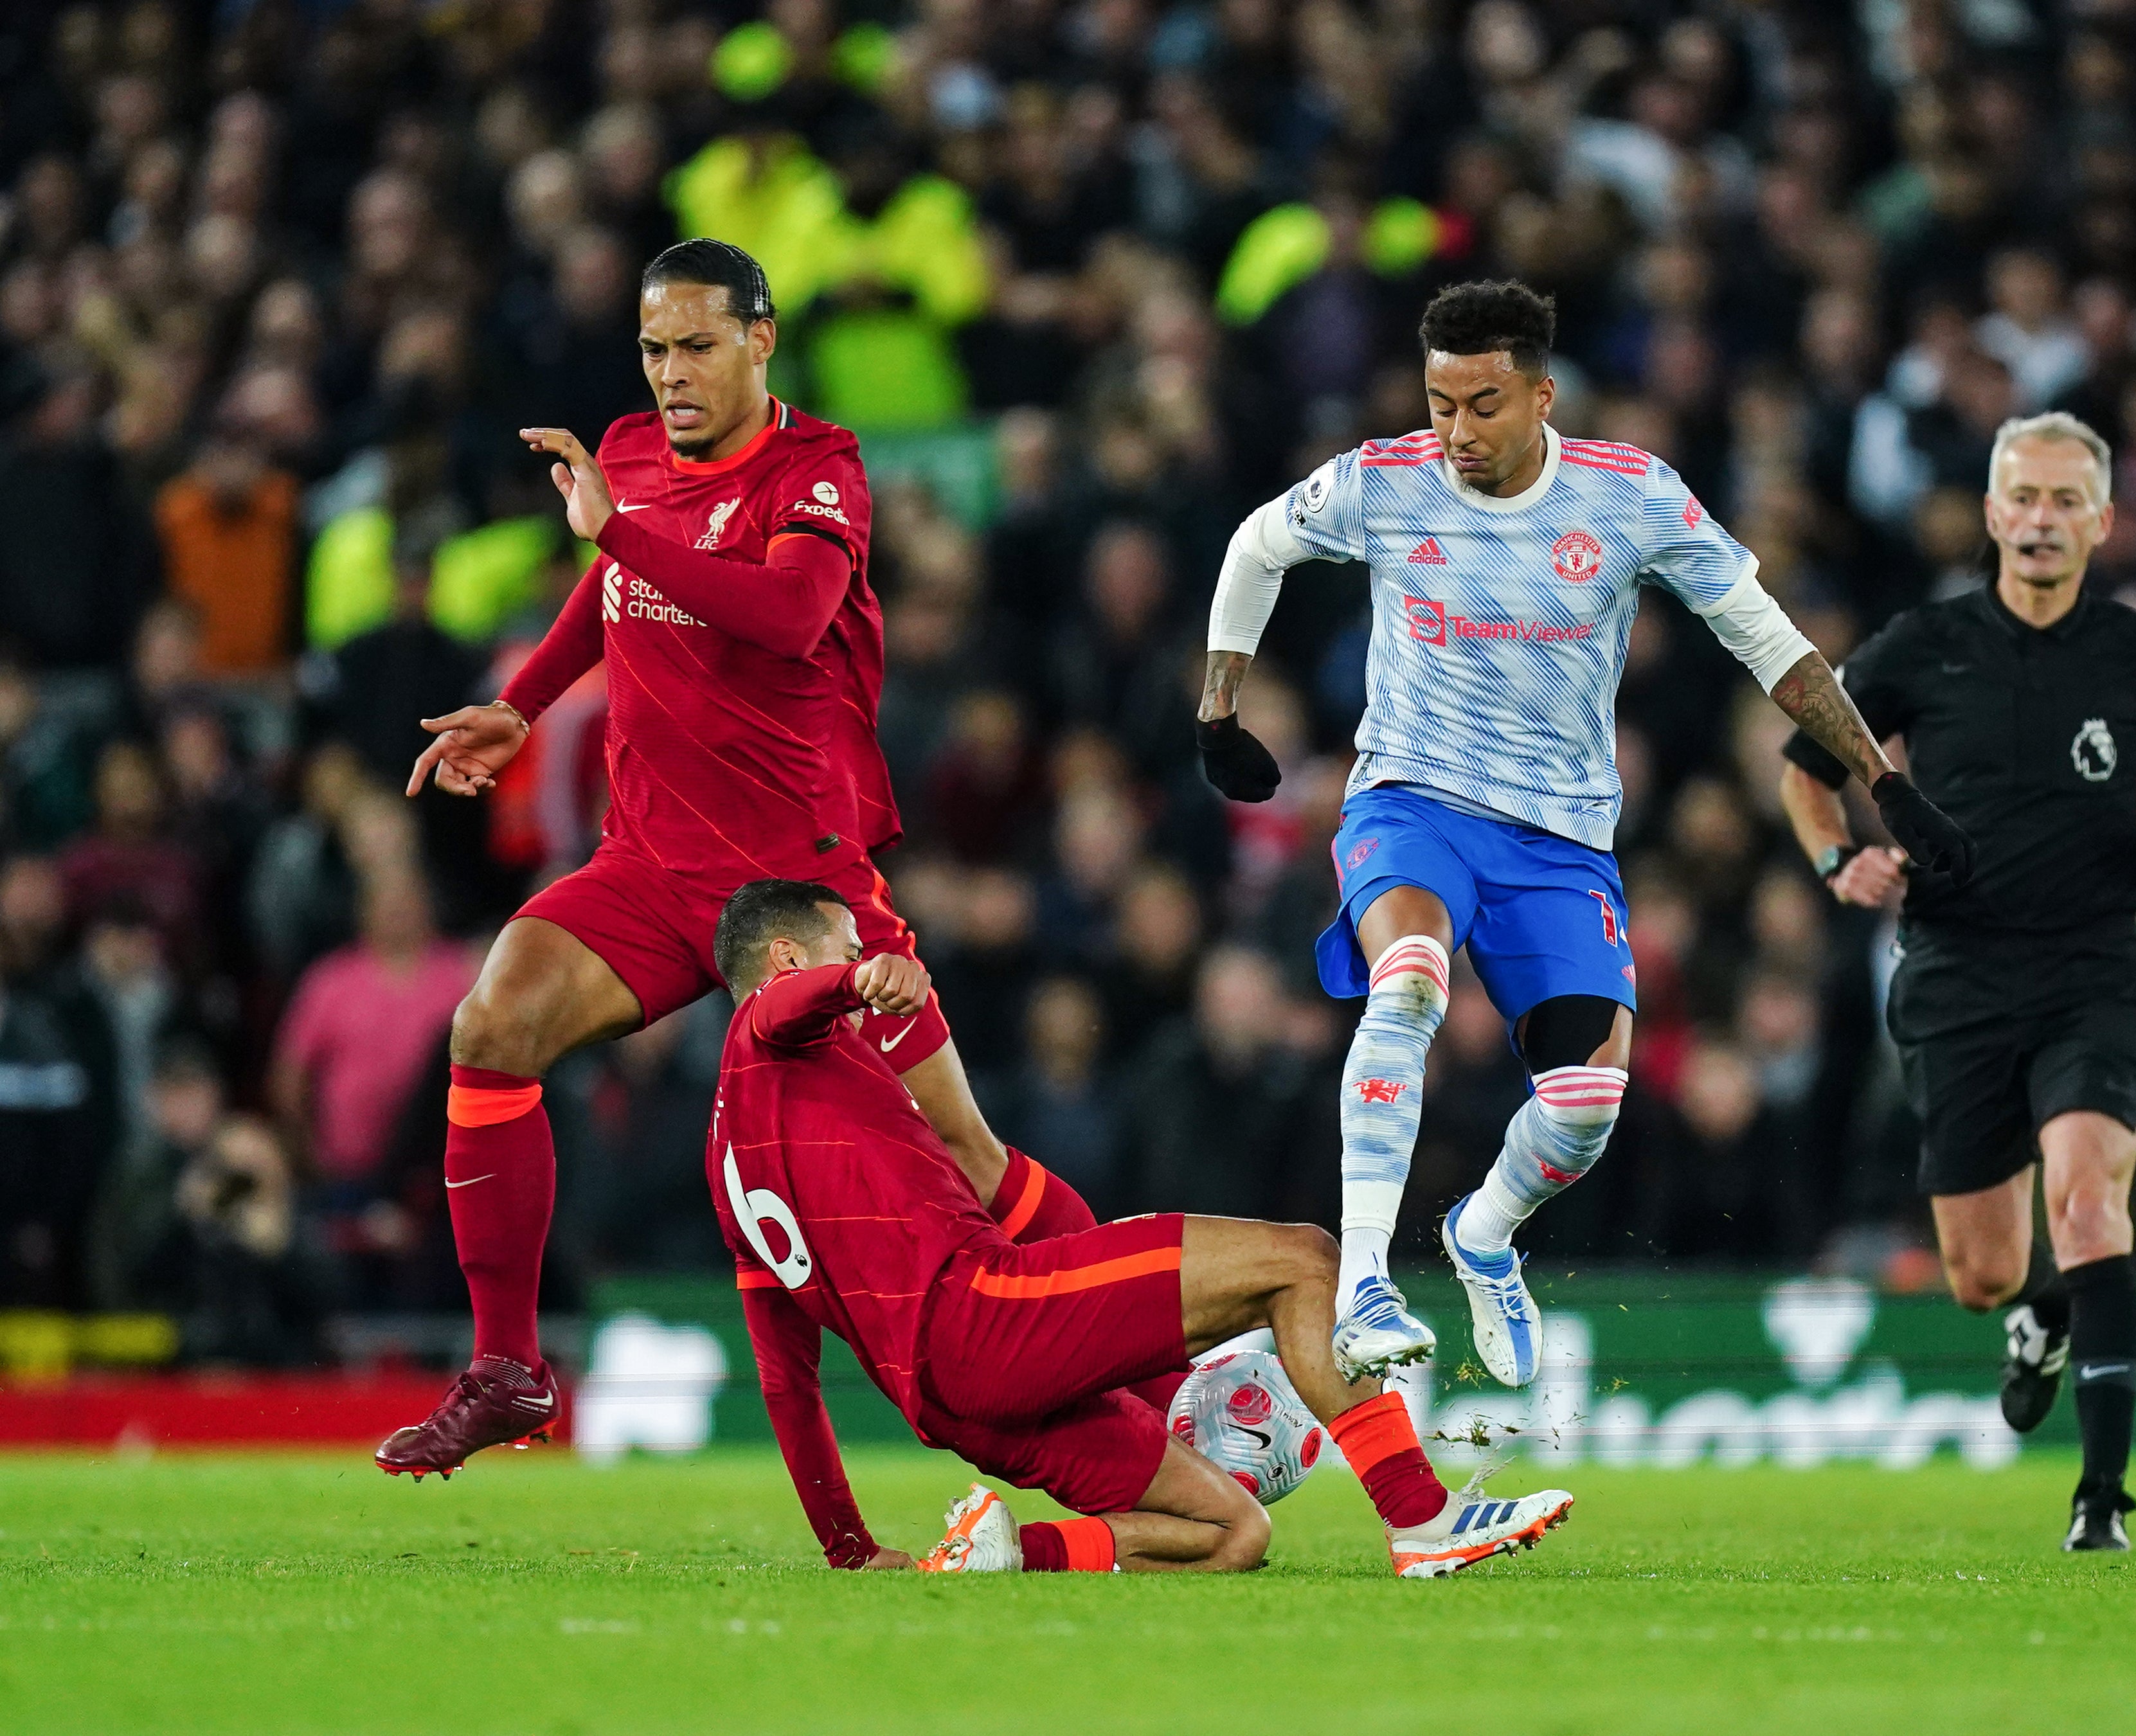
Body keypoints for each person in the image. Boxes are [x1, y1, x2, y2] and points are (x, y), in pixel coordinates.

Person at [1196, 280, 1971, 1390]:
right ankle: (1364, 1274)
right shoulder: (1385, 479)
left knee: (1585, 1103)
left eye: (1483, 404)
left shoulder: (1629, 497)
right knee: (1407, 979)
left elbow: (1768, 640)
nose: (1456, 432)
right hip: (1410, 801)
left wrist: (1881, 783)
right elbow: (1253, 545)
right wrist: (1219, 707)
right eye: (1439, 402)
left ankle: (1481, 1236)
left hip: (1558, 838)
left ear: (1542, 395)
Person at [377, 241, 1064, 1474]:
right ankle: (507, 1371)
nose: (671, 375)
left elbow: (788, 616)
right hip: (648, 863)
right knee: (493, 1026)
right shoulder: (630, 454)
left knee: (964, 1154)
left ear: (761, 339)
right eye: (652, 350)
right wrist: (526, 705)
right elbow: (609, 588)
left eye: (696, 346)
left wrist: (620, 537)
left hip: (800, 891)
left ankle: (1153, 1355)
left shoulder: (822, 469)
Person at [700, 878, 1573, 1578]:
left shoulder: (732, 1162)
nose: (861, 972)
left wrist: (847, 1545)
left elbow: (788, 1381)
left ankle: (995, 1553)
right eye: (845, 949)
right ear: (786, 959)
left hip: (946, 1401)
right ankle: (1421, 1518)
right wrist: (853, 978)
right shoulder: (773, 1031)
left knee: (1233, 1532)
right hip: (981, 1313)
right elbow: (778, 1008)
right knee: (1304, 1260)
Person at [1777, 411, 2136, 1552]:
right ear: (1991, 513)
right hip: (1954, 973)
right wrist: (1838, 858)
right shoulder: (1918, 646)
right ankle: (2043, 1312)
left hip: (2094, 964)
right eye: (2021, 499)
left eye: (2063, 502)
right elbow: (1805, 770)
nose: (2039, 520)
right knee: (1983, 1272)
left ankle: (2100, 1498)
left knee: (2090, 1201)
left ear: (2101, 521)